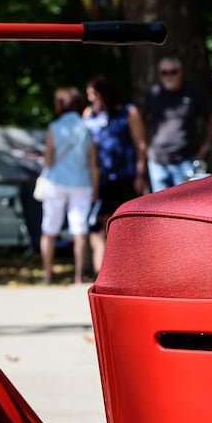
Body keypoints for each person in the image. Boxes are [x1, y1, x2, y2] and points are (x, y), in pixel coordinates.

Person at [82, 74, 147, 272]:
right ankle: (102, 273)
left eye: (94, 94)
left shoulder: (128, 112)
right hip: (99, 179)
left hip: (125, 177)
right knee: (97, 225)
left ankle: (130, 271)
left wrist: (140, 174)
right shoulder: (89, 115)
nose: (92, 99)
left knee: (126, 226)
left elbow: (140, 144)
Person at [38, 86, 98, 285]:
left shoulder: (54, 127)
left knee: (49, 229)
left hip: (56, 182)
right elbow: (92, 164)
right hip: (81, 183)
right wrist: (95, 188)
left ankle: (47, 275)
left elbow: (48, 160)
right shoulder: (86, 129)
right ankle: (79, 277)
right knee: (80, 230)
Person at [142, 57, 212, 191]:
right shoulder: (153, 94)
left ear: (180, 72)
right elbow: (139, 120)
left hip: (186, 160)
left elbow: (211, 116)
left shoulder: (193, 93)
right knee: (160, 208)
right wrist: (144, 147)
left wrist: (207, 145)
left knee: (184, 206)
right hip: (157, 161)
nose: (169, 76)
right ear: (159, 75)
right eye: (165, 72)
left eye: (173, 72)